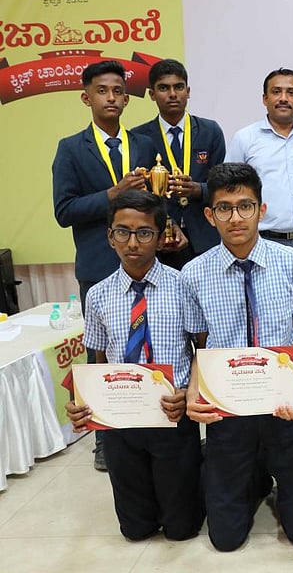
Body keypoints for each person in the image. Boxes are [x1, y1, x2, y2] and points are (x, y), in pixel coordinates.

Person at [181, 163, 293, 550]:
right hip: (228, 409)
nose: (236, 217)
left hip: (282, 407)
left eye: (245, 206)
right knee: (225, 540)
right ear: (210, 216)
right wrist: (195, 390)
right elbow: (201, 347)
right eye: (224, 208)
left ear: (261, 210)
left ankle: (274, 482)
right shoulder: (193, 274)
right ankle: (254, 478)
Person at [64, 190, 202, 541]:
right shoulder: (97, 295)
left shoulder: (182, 284)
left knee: (181, 529)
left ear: (160, 235)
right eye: (122, 232)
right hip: (120, 420)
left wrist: (189, 393)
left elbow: (203, 349)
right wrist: (83, 402)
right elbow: (96, 359)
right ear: (110, 237)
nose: (133, 242)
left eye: (144, 232)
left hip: (172, 414)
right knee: (135, 531)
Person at [52, 59, 163, 470]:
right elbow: (64, 210)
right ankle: (105, 432)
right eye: (102, 91)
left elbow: (157, 202)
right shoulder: (70, 148)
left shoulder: (145, 145)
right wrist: (114, 193)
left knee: (153, 341)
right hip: (100, 265)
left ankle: (152, 415)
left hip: (145, 262)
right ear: (87, 97)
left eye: (118, 91)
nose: (112, 98)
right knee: (102, 350)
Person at [226, 68, 293, 286]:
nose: (284, 98)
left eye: (291, 92)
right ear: (265, 98)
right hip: (263, 242)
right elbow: (230, 193)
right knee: (267, 311)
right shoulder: (245, 139)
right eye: (276, 91)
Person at [132, 58, 227, 268]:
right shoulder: (139, 138)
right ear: (152, 94)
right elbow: (140, 194)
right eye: (164, 88)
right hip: (160, 241)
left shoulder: (210, 131)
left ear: (188, 91)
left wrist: (198, 190)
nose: (172, 94)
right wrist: (163, 224)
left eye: (179, 87)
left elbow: (223, 187)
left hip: (205, 239)